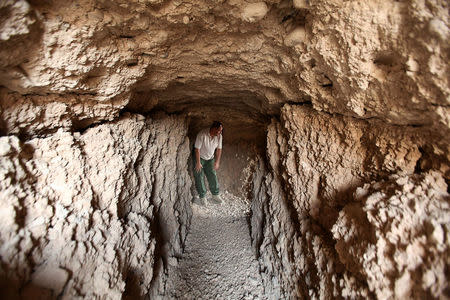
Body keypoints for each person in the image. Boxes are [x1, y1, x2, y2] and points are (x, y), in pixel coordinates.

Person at [192, 121, 223, 205]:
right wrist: (198, 163)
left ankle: (215, 194)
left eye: (221, 131)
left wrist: (217, 161)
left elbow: (219, 149)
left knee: (212, 174)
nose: (220, 132)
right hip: (200, 157)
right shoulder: (202, 134)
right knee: (199, 175)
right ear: (213, 128)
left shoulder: (219, 136)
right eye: (218, 130)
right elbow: (197, 149)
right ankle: (202, 196)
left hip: (210, 158)